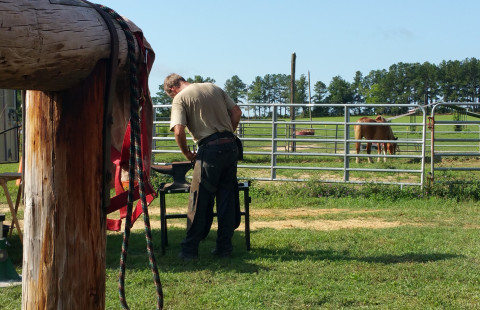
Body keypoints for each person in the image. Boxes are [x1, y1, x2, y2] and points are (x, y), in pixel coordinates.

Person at [164, 73, 242, 259]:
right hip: (231, 147)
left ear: (172, 89)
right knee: (227, 199)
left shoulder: (181, 98)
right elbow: (237, 112)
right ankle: (224, 248)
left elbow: (178, 130)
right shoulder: (213, 87)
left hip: (209, 152)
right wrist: (226, 134)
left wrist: (187, 154)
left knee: (199, 200)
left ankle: (189, 249)